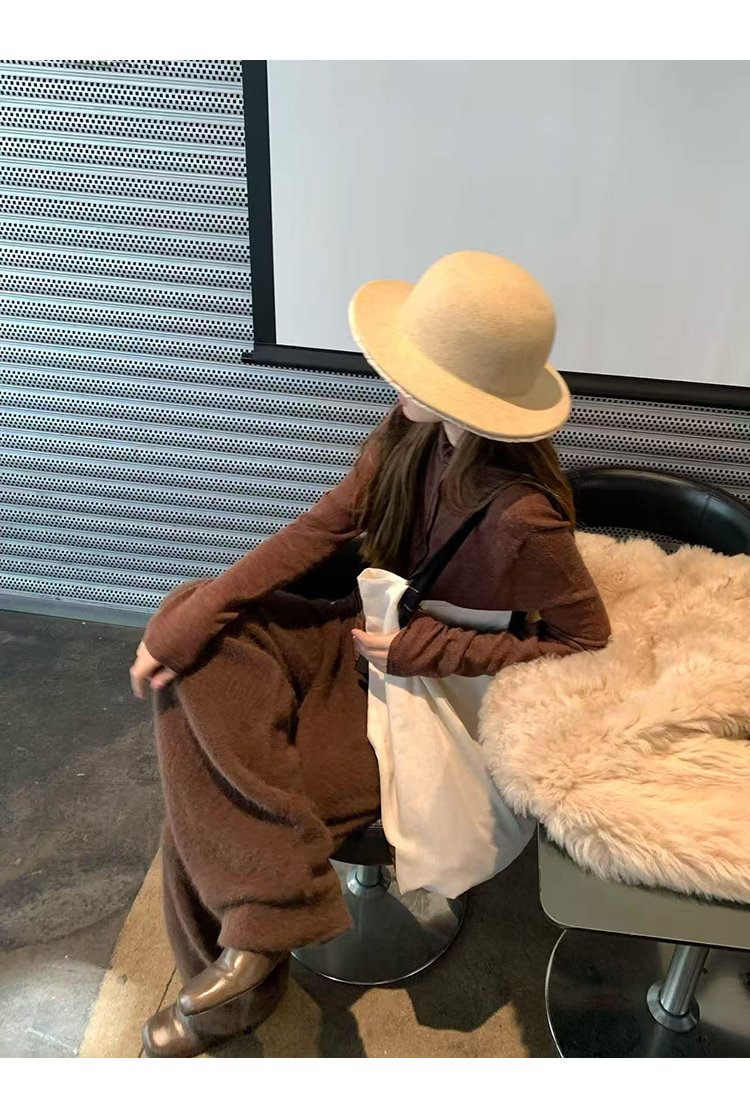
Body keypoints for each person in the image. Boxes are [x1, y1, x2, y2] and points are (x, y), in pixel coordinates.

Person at [130, 251, 610, 1056]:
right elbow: (320, 529)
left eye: (418, 367)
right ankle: (266, 926)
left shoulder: (523, 519)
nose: (392, 376)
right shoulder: (405, 435)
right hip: (353, 636)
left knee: (200, 817)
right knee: (197, 626)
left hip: (426, 700)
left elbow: (583, 639)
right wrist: (200, 611)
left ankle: (240, 979)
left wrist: (431, 645)